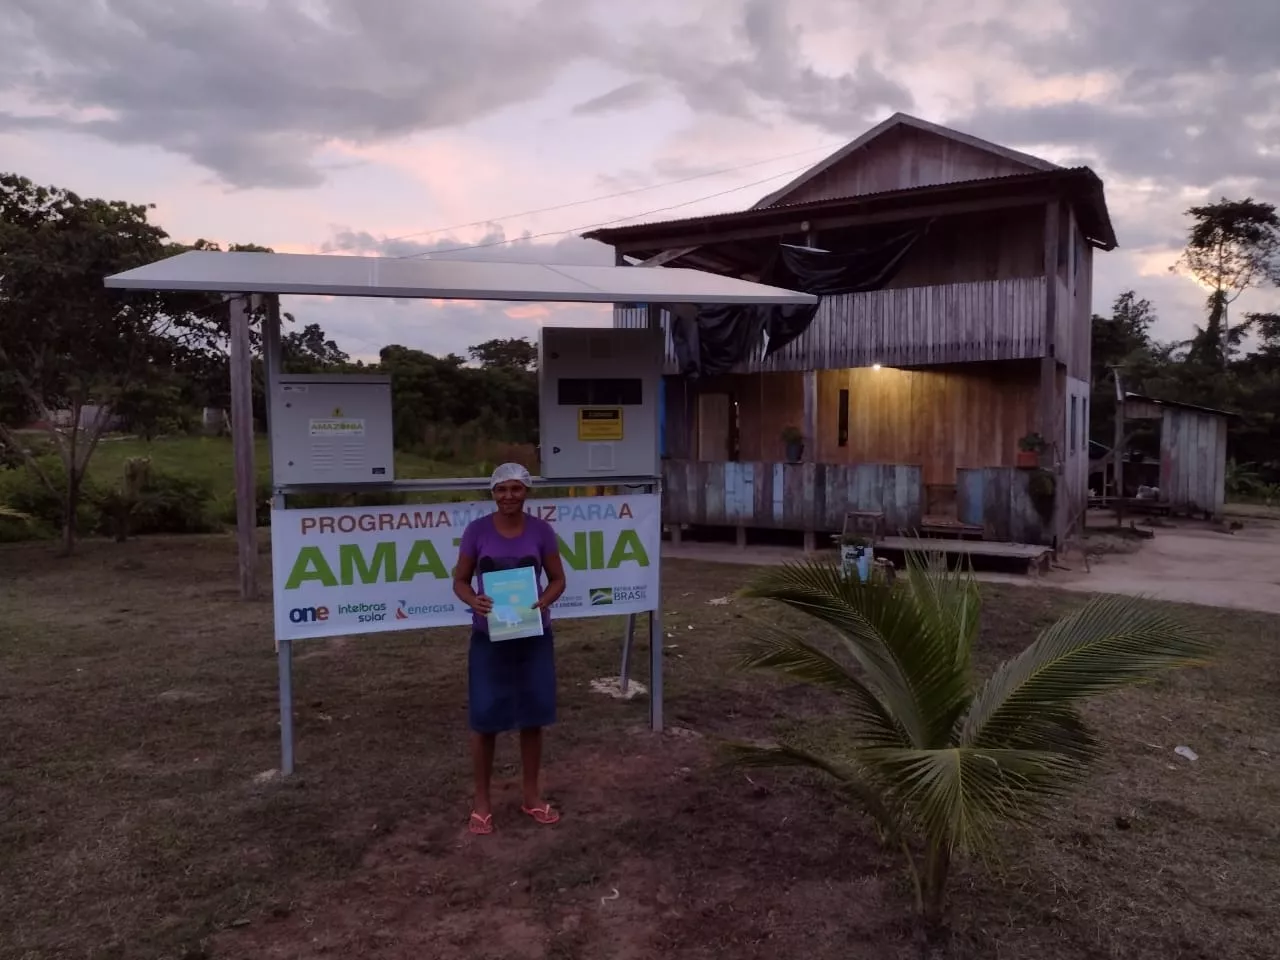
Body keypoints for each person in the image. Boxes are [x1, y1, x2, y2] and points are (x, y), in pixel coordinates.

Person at [452, 462, 566, 835]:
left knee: (533, 717)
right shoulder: (476, 531)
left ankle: (531, 796)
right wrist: (474, 601)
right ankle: (481, 802)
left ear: (527, 492)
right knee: (484, 718)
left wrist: (543, 601)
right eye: (501, 490)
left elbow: (558, 579)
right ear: (492, 493)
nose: (508, 496)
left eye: (516, 489)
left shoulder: (542, 531)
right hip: (489, 638)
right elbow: (460, 580)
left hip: (533, 636)